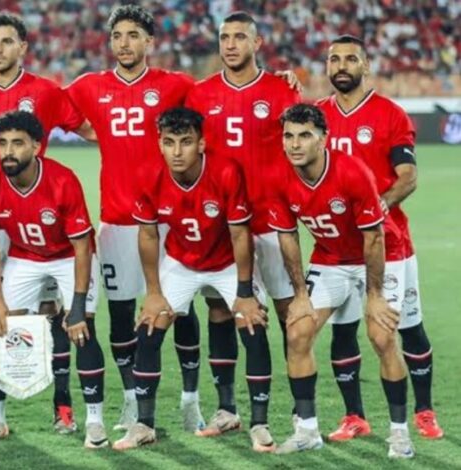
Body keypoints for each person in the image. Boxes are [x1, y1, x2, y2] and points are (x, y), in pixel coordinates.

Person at [65, 4, 204, 432]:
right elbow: (47, 104)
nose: (123, 44)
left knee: (181, 310)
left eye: (132, 35)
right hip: (117, 222)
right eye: (117, 36)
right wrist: (98, 133)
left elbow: (214, 107)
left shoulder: (175, 84)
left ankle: (191, 401)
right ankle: (131, 401)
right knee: (122, 314)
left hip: (167, 221)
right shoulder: (89, 86)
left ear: (149, 41)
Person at [0, 12, 95, 433]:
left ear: (23, 47)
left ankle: (62, 403)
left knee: (53, 310)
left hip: (36, 214)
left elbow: (88, 129)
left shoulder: (45, 91)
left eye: (7, 41)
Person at [112, 107, 271, 451]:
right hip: (181, 261)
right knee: (150, 324)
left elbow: (241, 235)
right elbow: (148, 235)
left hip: (227, 261)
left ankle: (253, 421)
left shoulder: (226, 171)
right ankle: (144, 424)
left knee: (251, 323)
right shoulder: (148, 174)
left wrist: (245, 293)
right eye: (169, 142)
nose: (177, 151)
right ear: (159, 144)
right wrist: (153, 292)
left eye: (185, 142)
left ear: (201, 144)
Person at [317, 34, 443, 441]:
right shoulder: (317, 116)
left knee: (404, 327)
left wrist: (377, 207)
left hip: (390, 245)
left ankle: (424, 411)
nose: (341, 65)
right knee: (343, 330)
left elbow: (408, 177)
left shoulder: (390, 114)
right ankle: (354, 416)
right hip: (338, 250)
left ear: (366, 66)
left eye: (350, 59)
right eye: (334, 59)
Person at [270, 104, 414, 459]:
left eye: (305, 135)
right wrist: (300, 294)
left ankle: (399, 434)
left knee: (382, 336)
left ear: (324, 139)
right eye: (289, 136)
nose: (295, 144)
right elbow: (287, 237)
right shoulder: (277, 176)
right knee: (297, 332)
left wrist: (374, 296)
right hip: (331, 258)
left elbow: (374, 237)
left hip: (382, 254)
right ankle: (307, 431)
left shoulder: (351, 171)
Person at [184, 11, 301, 440]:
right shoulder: (199, 94)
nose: (230, 45)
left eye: (239, 37)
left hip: (271, 221)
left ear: (257, 43)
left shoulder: (281, 91)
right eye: (224, 37)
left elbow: (304, 141)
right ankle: (227, 409)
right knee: (221, 310)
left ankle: (301, 410)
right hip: (221, 227)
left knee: (289, 313)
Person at [0, 111, 107, 449]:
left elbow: (81, 246)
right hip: (25, 256)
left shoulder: (62, 180)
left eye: (17, 143)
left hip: (70, 256)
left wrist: (76, 307)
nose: (8, 151)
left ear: (36, 146)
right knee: (0, 328)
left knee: (82, 330)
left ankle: (94, 421)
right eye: (2, 143)